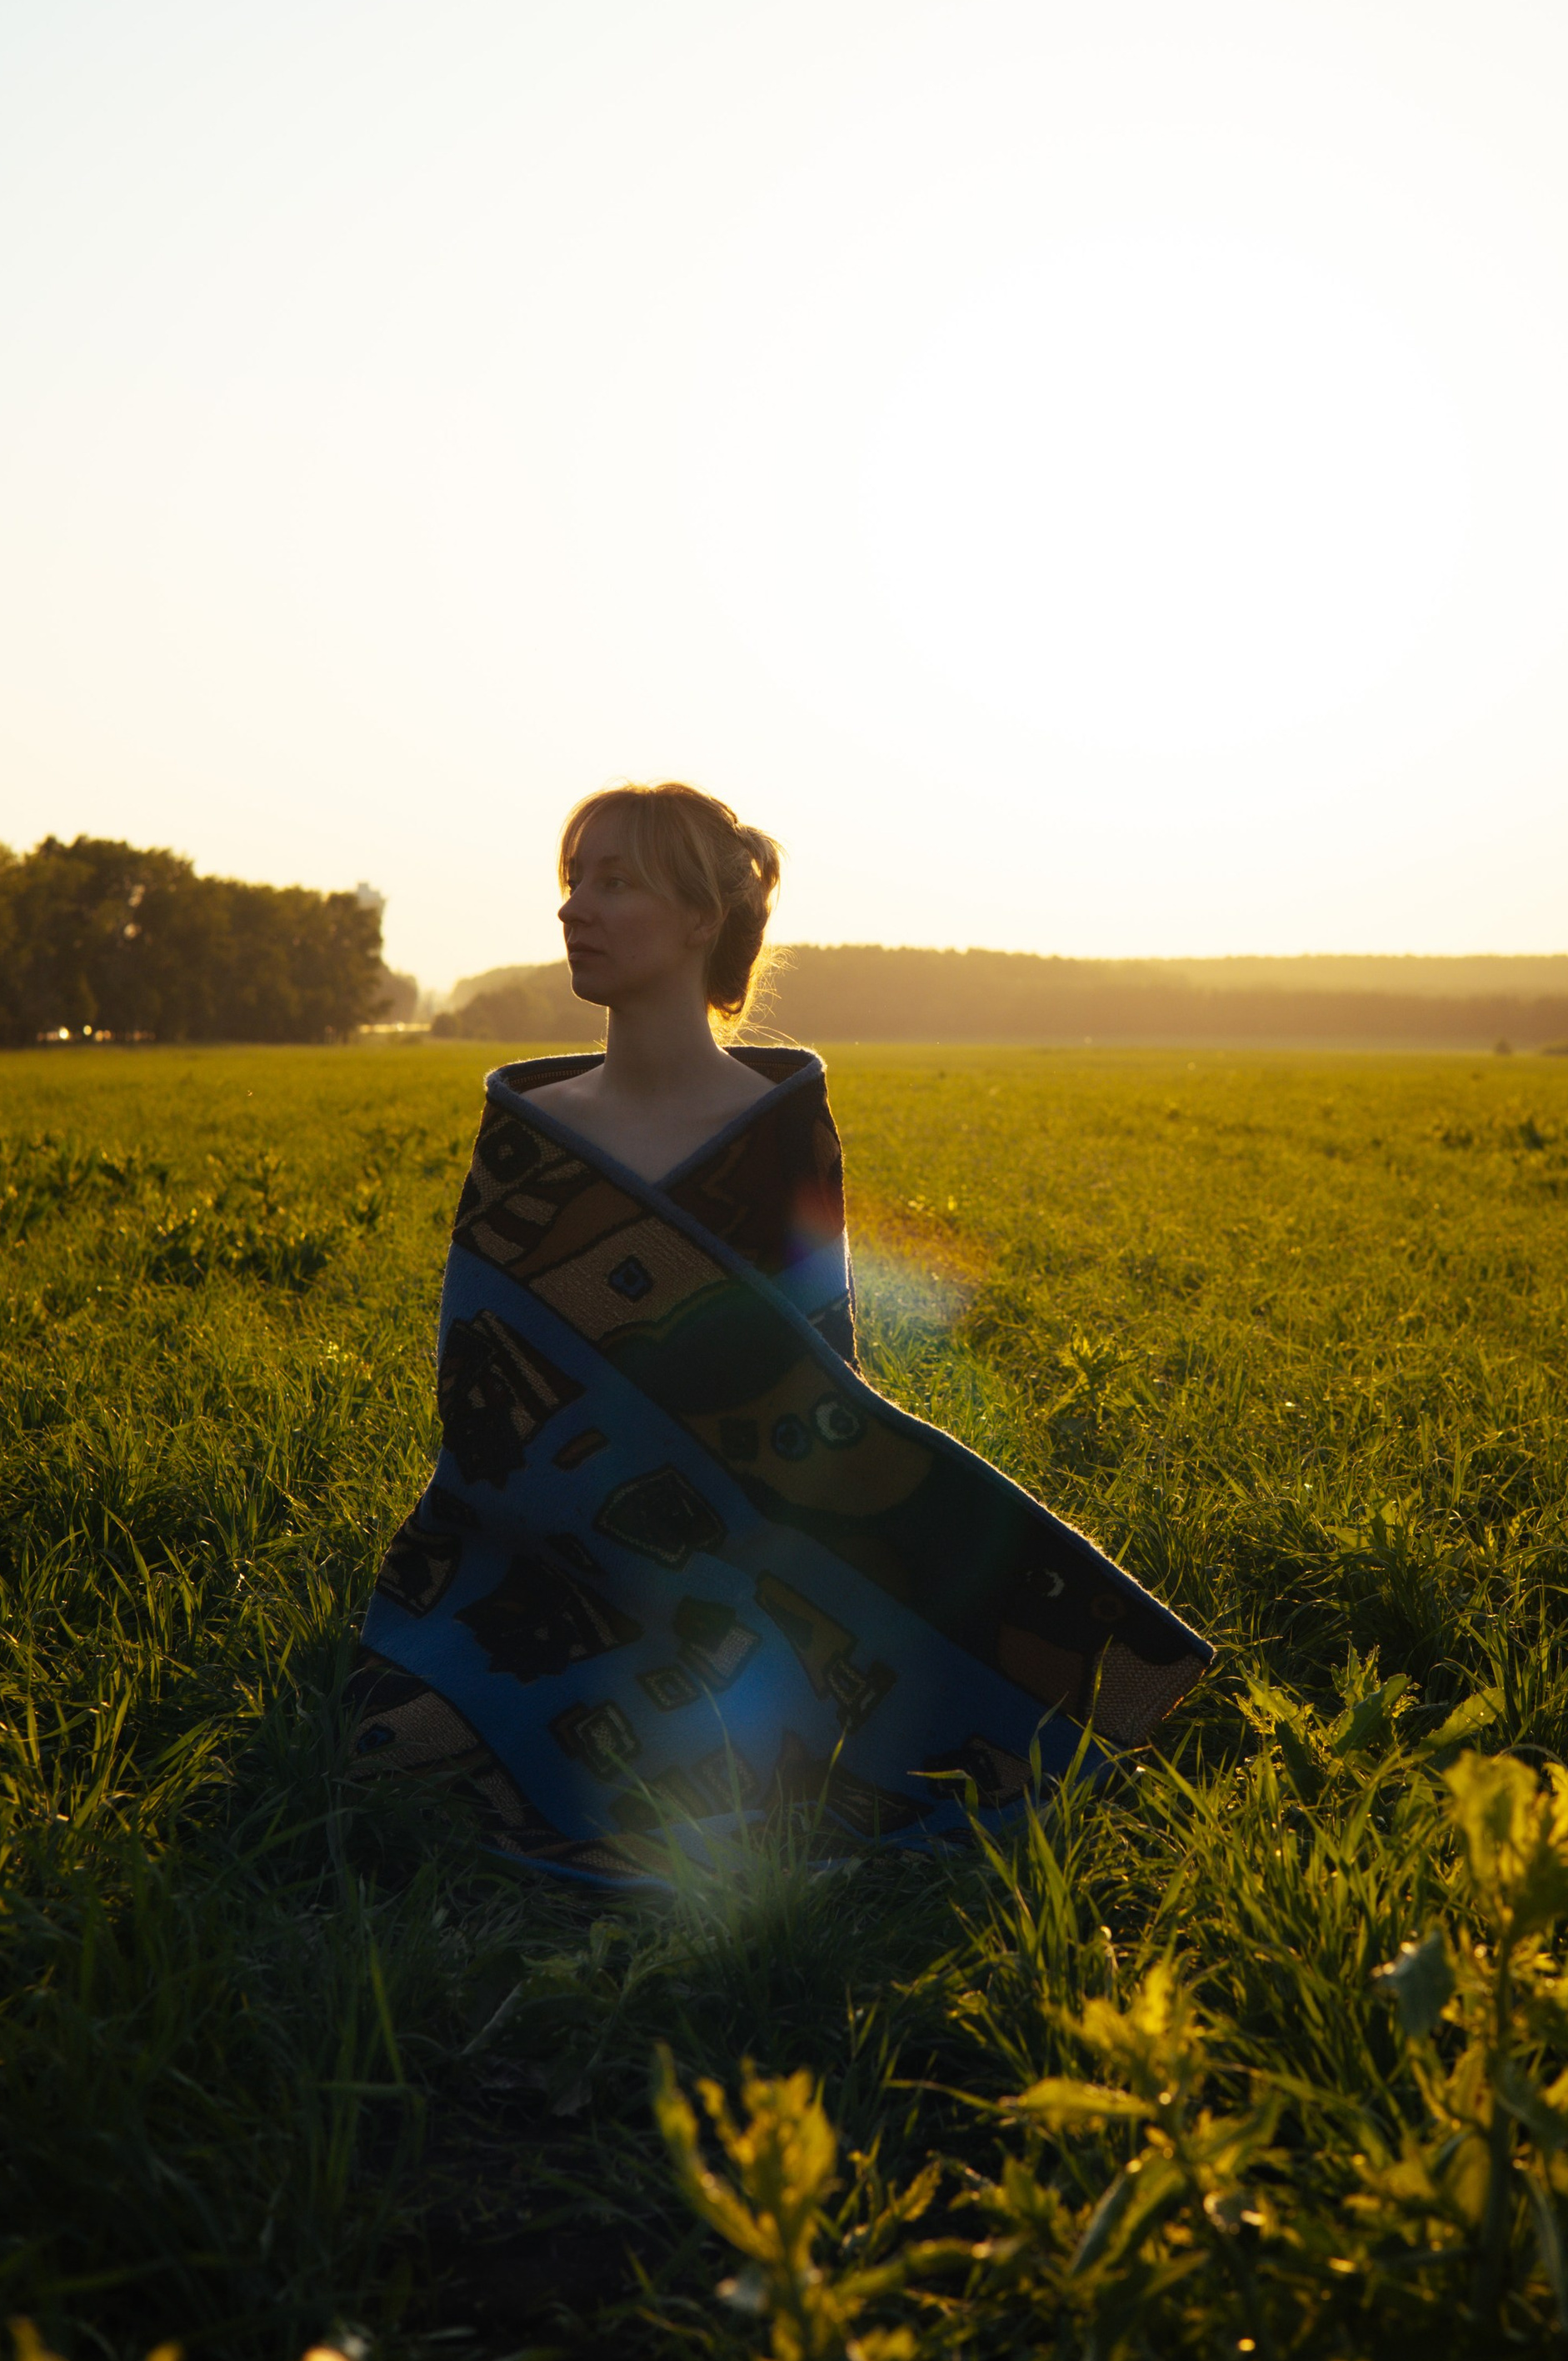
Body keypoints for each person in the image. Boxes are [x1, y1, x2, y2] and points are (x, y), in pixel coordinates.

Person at [349, 782, 1206, 1884]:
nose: (577, 910)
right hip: (533, 1559)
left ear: (702, 920)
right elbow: (482, 1397)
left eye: (616, 883)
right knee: (414, 1719)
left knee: (844, 1727)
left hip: (741, 1568)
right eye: (575, 884)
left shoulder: (777, 1126)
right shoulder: (528, 1133)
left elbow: (815, 1382)